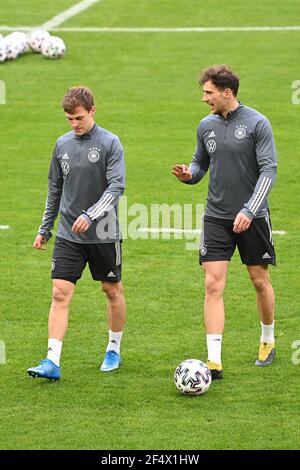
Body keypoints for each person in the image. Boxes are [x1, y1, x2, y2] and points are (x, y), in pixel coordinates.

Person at [172, 65, 277, 380]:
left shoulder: (258, 124)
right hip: (216, 216)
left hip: (253, 217)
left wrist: (249, 209)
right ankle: (214, 360)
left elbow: (269, 170)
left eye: (208, 92)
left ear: (226, 92)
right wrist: (189, 175)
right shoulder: (206, 126)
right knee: (212, 284)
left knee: (259, 281)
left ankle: (268, 340)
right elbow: (200, 163)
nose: (204, 98)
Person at [27, 86, 126, 380]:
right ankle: (52, 361)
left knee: (111, 291)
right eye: (69, 119)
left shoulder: (110, 143)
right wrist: (45, 228)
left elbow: (116, 187)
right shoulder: (62, 145)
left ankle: (113, 348)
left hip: (104, 234)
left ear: (92, 111)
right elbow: (54, 189)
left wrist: (91, 214)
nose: (74, 124)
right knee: (60, 293)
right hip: (69, 234)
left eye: (79, 118)